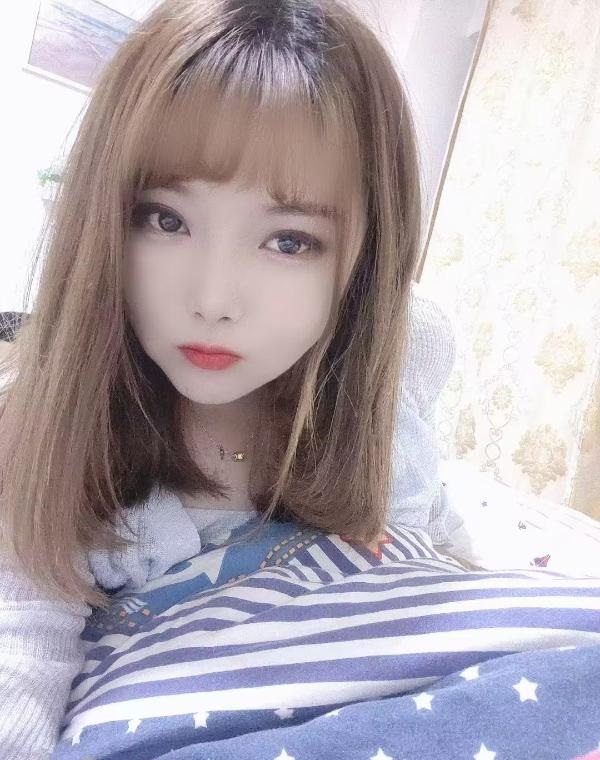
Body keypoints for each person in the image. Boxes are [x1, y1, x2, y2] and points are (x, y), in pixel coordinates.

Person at [0, 0, 455, 756]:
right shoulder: (34, 428)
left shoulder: (409, 351)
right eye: (164, 219)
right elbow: (18, 650)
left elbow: (430, 541)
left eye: (289, 240)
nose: (212, 300)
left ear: (367, 257)